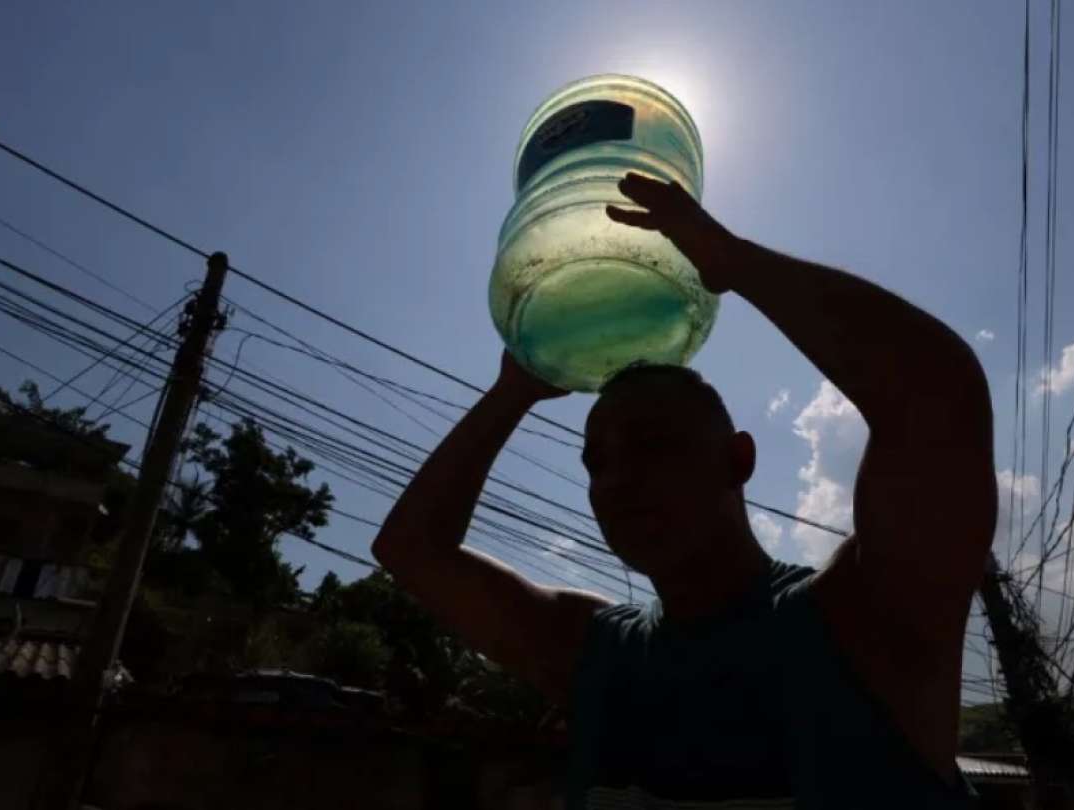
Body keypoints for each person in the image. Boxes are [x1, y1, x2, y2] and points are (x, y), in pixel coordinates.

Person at [372, 173, 996, 809]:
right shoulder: (597, 652)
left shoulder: (859, 621)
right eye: (596, 462)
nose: (617, 480)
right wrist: (514, 391)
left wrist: (733, 262)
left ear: (739, 460)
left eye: (654, 444)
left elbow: (936, 392)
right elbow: (410, 551)